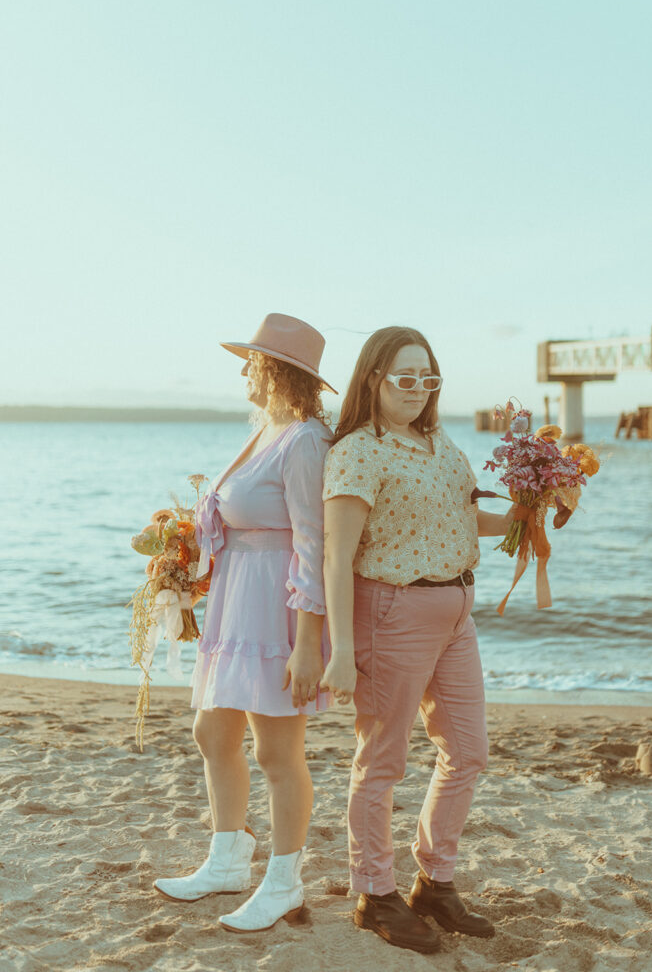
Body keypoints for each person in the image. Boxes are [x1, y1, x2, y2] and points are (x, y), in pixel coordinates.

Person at [320, 326, 514, 954]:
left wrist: (532, 512)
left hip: (457, 610)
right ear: (373, 378)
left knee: (469, 751)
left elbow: (463, 519)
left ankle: (435, 882)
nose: (418, 389)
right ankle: (373, 893)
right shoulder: (355, 451)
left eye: (428, 378)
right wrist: (342, 652)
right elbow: (336, 556)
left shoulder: (438, 442)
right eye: (405, 377)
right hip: (391, 612)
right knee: (383, 761)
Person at [154, 313, 336, 933]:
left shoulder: (306, 439)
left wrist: (308, 644)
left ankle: (284, 880)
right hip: (236, 603)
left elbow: (314, 544)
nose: (242, 370)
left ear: (276, 370)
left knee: (277, 751)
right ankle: (228, 857)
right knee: (212, 732)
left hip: (276, 611)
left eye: (250, 359)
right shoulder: (265, 429)